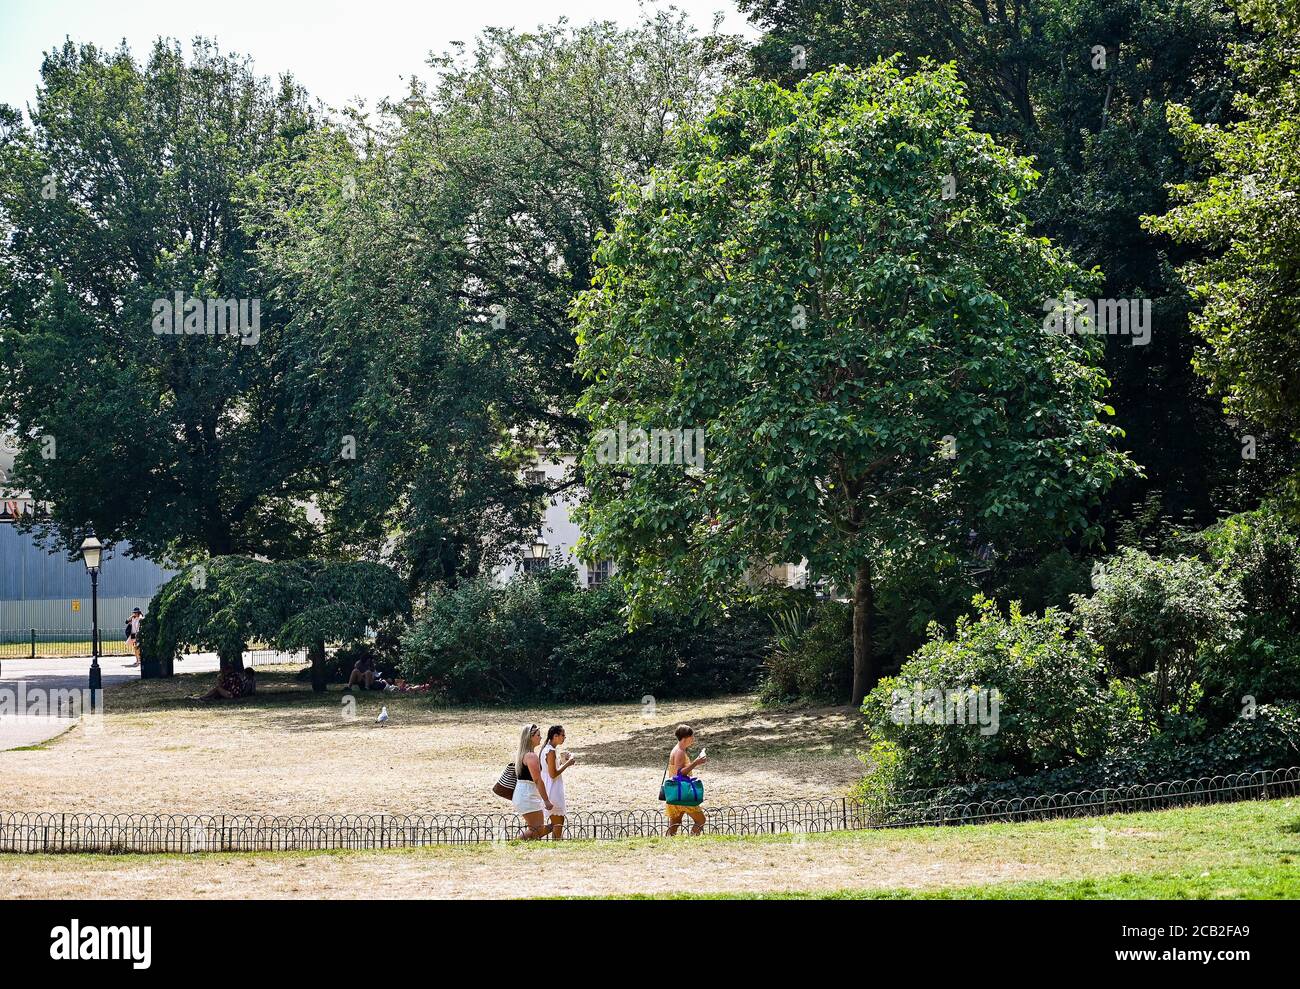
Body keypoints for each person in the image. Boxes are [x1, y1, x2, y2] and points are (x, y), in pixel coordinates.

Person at [511, 723, 553, 840]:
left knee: (536, 830)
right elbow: (537, 780)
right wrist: (546, 800)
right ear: (530, 737)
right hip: (527, 795)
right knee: (537, 829)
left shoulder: (523, 755)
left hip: (524, 794)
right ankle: (513, 843)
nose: (540, 737)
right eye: (538, 735)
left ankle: (525, 846)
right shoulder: (531, 756)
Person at [665, 723, 708, 836]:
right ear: (685, 738)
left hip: (676, 792)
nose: (692, 739)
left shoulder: (678, 749)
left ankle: (667, 844)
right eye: (691, 737)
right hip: (683, 792)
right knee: (700, 820)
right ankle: (692, 841)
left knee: (675, 823)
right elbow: (680, 772)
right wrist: (696, 762)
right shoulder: (679, 752)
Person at [539, 725, 577, 840]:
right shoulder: (550, 751)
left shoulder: (547, 748)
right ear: (555, 736)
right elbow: (553, 774)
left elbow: (550, 769)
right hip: (552, 789)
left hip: (550, 786)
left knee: (558, 821)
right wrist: (568, 763)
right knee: (558, 822)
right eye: (563, 735)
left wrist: (561, 761)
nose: (564, 738)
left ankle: (533, 837)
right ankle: (531, 837)